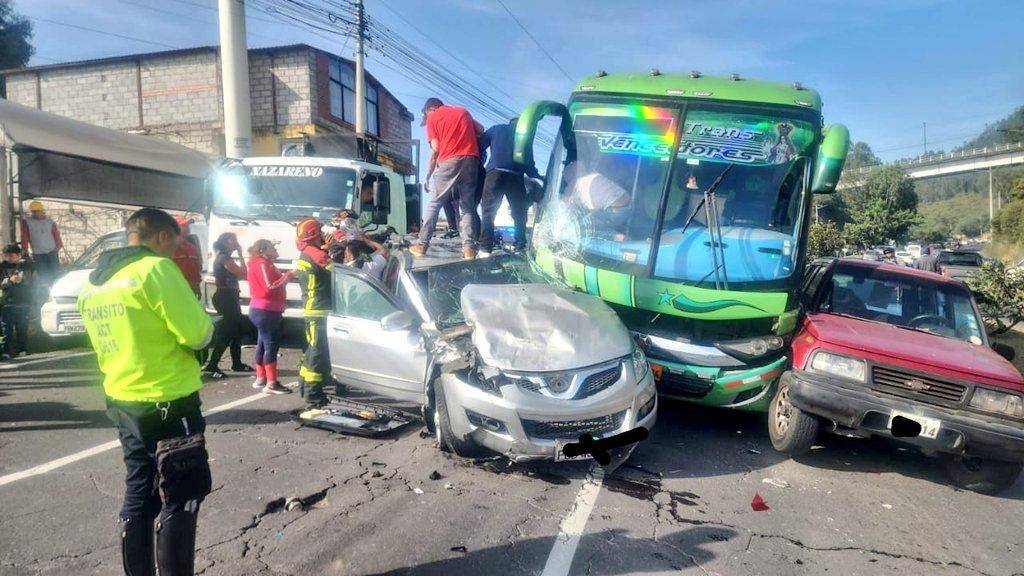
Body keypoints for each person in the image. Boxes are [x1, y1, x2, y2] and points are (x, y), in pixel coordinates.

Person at [77, 208, 213, 576]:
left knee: (140, 490)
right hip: (168, 398)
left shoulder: (95, 282)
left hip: (123, 398)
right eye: (177, 243)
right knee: (182, 494)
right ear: (162, 237)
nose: (176, 252)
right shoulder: (155, 269)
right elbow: (197, 334)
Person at [411, 97, 485, 260]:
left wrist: (428, 175)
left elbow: (436, 148)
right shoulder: (462, 111)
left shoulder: (433, 117)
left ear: (429, 109)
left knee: (435, 202)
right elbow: (481, 129)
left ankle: (422, 244)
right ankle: (468, 249)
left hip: (449, 160)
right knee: (467, 206)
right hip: (471, 160)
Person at [477, 117, 541, 255]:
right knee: (519, 213)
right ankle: (520, 246)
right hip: (516, 176)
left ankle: (485, 248)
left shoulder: (496, 129)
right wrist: (538, 175)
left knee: (489, 211)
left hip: (495, 173)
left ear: (509, 123)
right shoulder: (524, 137)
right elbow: (529, 165)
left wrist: (482, 162)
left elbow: (480, 144)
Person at [294, 218, 334, 408]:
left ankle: (304, 385)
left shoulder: (306, 252)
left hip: (311, 308)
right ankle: (313, 395)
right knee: (318, 351)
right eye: (320, 232)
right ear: (314, 234)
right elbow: (336, 273)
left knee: (311, 349)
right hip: (320, 309)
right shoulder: (318, 255)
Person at [201, 233, 252, 379]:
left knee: (237, 330)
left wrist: (240, 254)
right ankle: (212, 364)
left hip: (230, 295)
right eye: (233, 240)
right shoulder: (224, 257)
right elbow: (243, 274)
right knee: (227, 331)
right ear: (224, 242)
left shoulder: (225, 257)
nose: (236, 242)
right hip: (225, 297)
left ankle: (237, 363)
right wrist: (241, 255)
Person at [247, 239, 293, 395]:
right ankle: (272, 383)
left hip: (265, 309)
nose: (275, 249)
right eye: (272, 247)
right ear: (263, 251)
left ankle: (261, 378)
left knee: (262, 343)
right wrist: (288, 275)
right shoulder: (261, 264)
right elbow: (269, 287)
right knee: (270, 344)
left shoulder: (265, 264)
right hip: (266, 310)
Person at [0, 244, 34, 358]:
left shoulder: (26, 265)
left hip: (23, 302)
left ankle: (22, 350)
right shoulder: (2, 266)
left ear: (19, 255)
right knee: (7, 330)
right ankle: (5, 352)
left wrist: (22, 279)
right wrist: (9, 280)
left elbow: (30, 281)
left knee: (22, 328)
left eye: (11, 255)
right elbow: (2, 284)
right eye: (6, 256)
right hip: (7, 303)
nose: (8, 258)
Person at [20, 200, 63, 284]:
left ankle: (56, 290)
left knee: (55, 273)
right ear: (31, 212)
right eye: (34, 212)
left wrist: (58, 246)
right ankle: (46, 291)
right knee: (43, 274)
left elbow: (56, 234)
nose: (36, 213)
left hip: (52, 251)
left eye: (37, 211)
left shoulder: (50, 222)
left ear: (42, 211)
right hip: (38, 254)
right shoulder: (27, 222)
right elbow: (25, 236)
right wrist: (25, 249)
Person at [171, 216, 202, 299]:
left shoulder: (192, 248)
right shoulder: (167, 247)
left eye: (188, 225)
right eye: (184, 226)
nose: (188, 228)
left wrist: (197, 286)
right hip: (174, 289)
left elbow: (196, 268)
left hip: (190, 290)